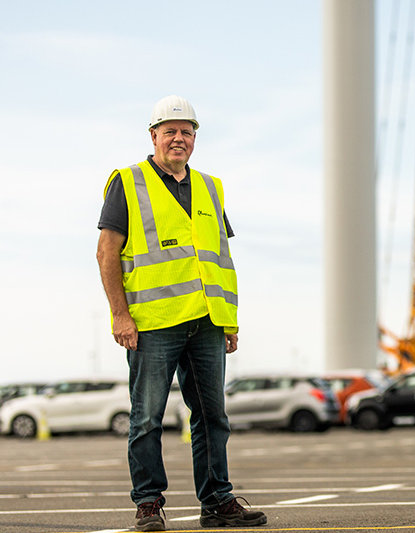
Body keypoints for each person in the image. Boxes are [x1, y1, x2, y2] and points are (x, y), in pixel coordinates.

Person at [96, 95, 267, 531]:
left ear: (194, 139)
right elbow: (106, 252)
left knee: (213, 417)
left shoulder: (211, 187)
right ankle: (148, 504)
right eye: (169, 131)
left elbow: (218, 258)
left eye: (186, 132)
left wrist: (228, 321)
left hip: (207, 321)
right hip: (152, 323)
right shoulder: (128, 181)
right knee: (147, 417)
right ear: (153, 136)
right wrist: (120, 315)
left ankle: (217, 501)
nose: (178, 138)